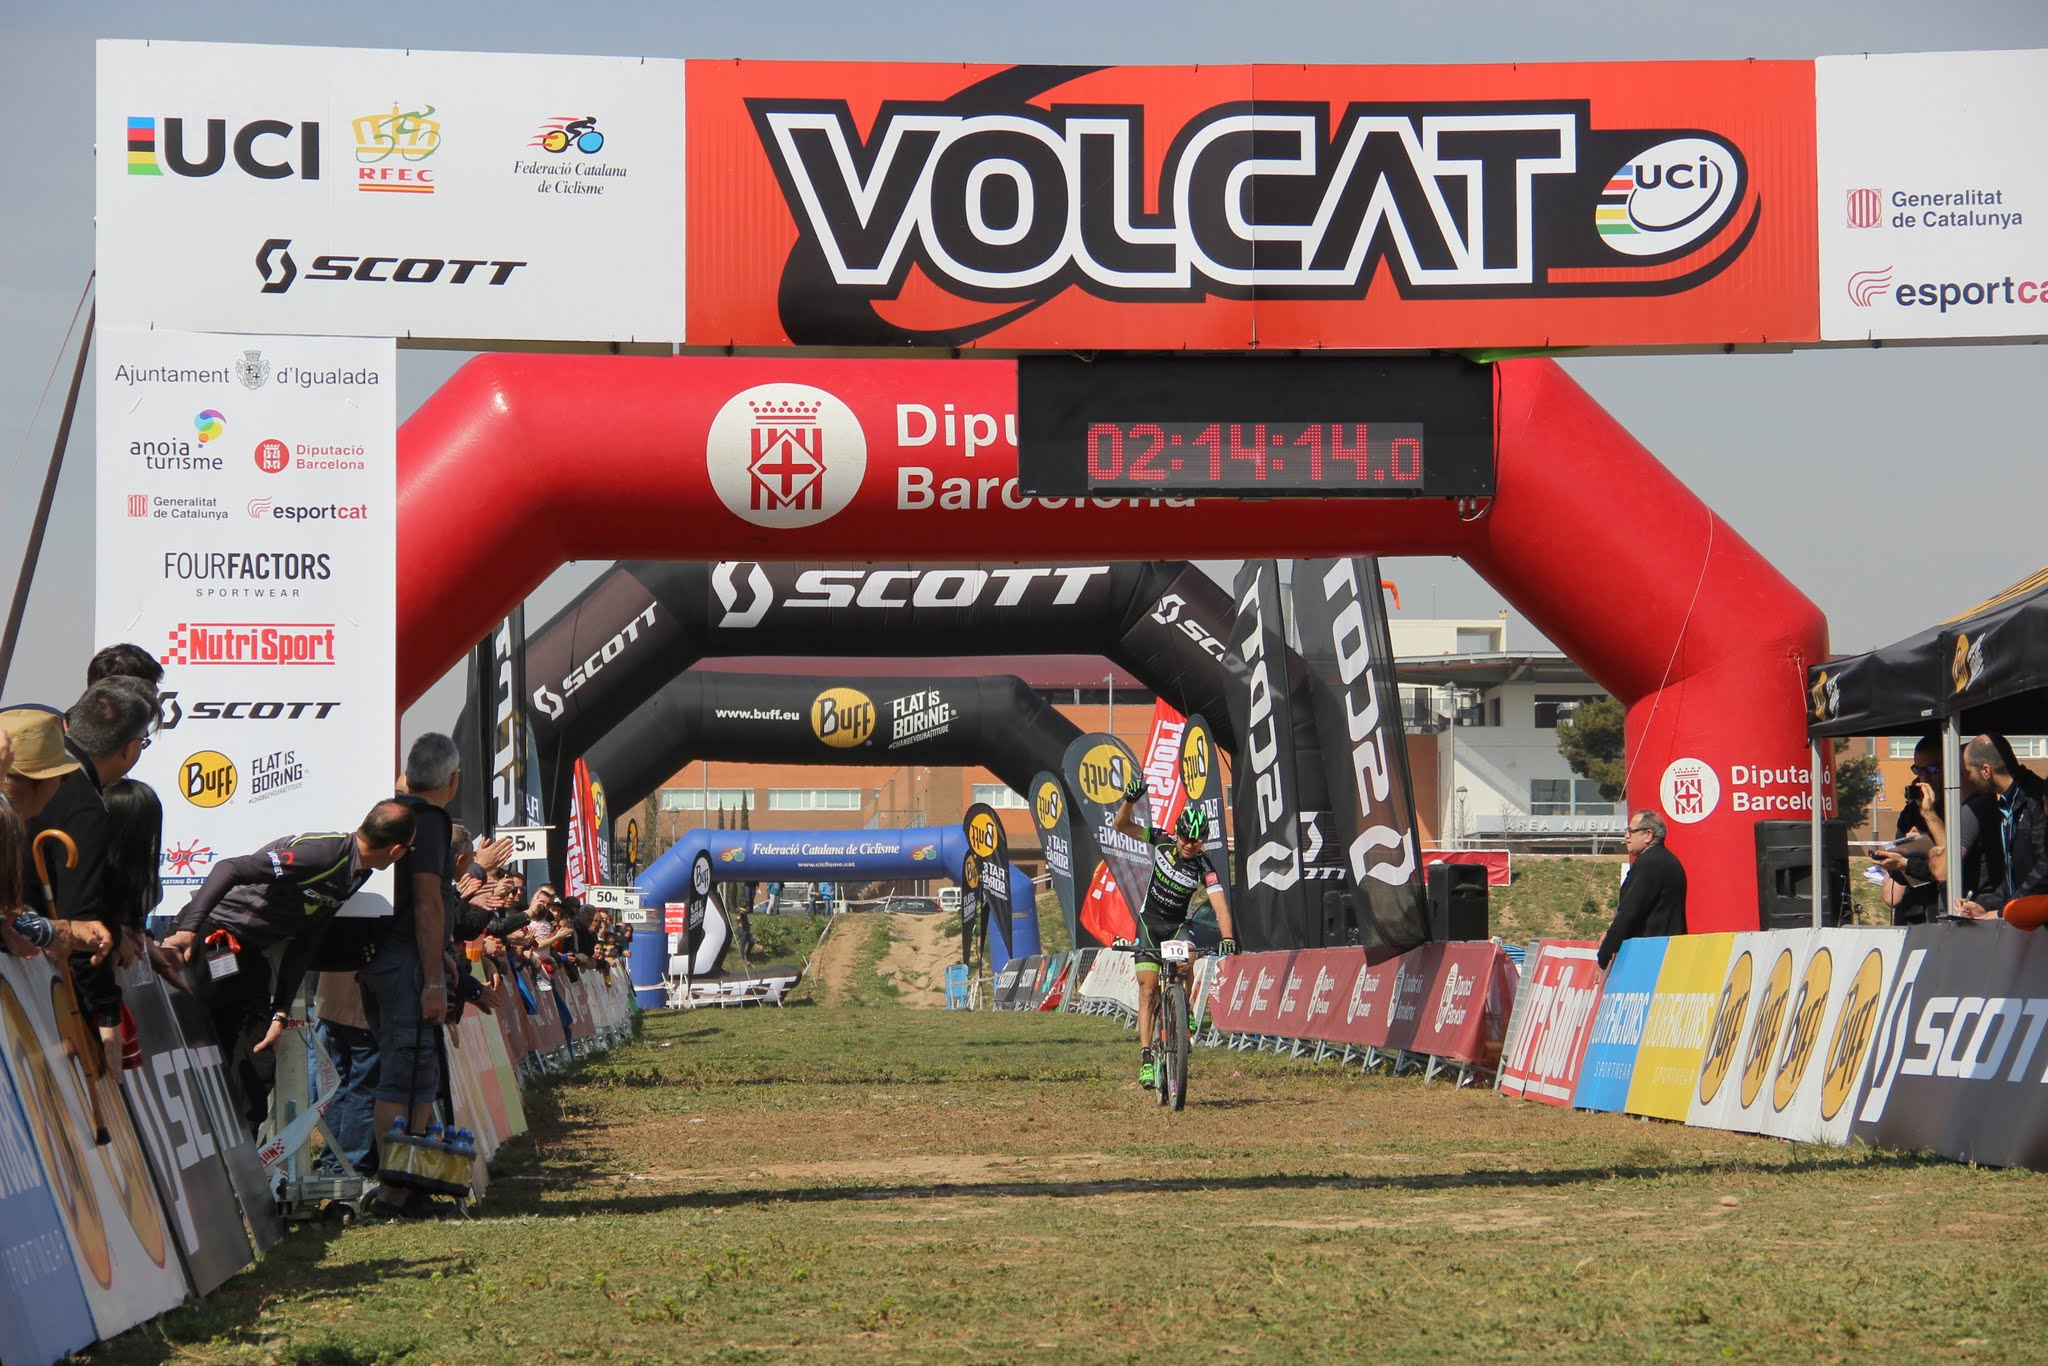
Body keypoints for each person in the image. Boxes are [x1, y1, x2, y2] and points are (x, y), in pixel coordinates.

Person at [160, 800, 417, 1131]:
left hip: (248, 954)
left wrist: (280, 1010)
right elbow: (229, 868)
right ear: (396, 850)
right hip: (210, 936)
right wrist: (188, 929)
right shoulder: (324, 854)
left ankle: (242, 1157)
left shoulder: (357, 871)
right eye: (409, 850)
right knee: (189, 1046)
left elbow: (307, 940)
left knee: (257, 1062)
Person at [20, 682, 156, 1058]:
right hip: (27, 979)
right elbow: (80, 925)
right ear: (129, 748)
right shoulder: (81, 802)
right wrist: (107, 1014)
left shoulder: (42, 768)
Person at [361, 735, 458, 1218]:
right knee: (405, 1077)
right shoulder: (430, 821)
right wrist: (434, 980)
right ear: (453, 781)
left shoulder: (393, 811)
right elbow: (426, 902)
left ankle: (409, 1183)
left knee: (414, 1077)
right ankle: (394, 1193)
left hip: (385, 957)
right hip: (406, 963)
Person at [1112, 774, 1236, 1088]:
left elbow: (1220, 906)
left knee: (1187, 958)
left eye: (1196, 841)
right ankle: (1145, 1058)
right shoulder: (1162, 840)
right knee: (1148, 992)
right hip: (1150, 925)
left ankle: (1186, 1009)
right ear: (1178, 833)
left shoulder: (1205, 867)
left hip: (1178, 926)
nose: (1189, 845)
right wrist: (1130, 800)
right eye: (1185, 838)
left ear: (1203, 841)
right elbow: (1121, 825)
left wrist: (1227, 938)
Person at [0, 712, 114, 963]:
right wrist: (55, 932)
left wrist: (58, 930)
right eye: (63, 777)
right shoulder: (5, 823)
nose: (63, 785)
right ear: (42, 781)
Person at [1955, 733, 2048, 919]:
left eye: (1968, 772)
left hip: (2037, 923)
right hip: (2021, 919)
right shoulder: (2007, 803)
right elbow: (2012, 878)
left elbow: (2044, 867)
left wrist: (2004, 911)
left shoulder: (2036, 800)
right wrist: (1984, 906)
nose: (1967, 779)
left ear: (1986, 771)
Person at [1597, 810, 1688, 970]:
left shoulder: (1649, 863)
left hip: (1649, 956)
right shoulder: (1668, 860)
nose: (1626, 836)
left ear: (1648, 835)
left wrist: (1604, 954)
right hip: (1670, 952)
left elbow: (1630, 911)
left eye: (1631, 831)